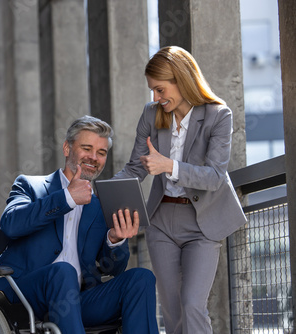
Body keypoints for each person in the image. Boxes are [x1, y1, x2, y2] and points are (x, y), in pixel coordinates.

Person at [113, 46, 247, 334]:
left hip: (202, 223)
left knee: (192, 305)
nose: (155, 98)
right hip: (161, 221)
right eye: (152, 91)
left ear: (181, 79)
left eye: (160, 90)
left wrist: (169, 166)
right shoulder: (152, 115)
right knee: (172, 311)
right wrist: (104, 190)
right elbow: (135, 168)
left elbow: (214, 177)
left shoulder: (218, 116)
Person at [0, 115, 159, 334]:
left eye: (101, 152)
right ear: (67, 148)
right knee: (63, 271)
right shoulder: (30, 185)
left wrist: (115, 240)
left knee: (141, 278)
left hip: (76, 301)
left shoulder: (99, 206)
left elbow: (115, 268)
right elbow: (11, 225)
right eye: (86, 148)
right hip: (24, 296)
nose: (93, 157)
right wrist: (67, 198)